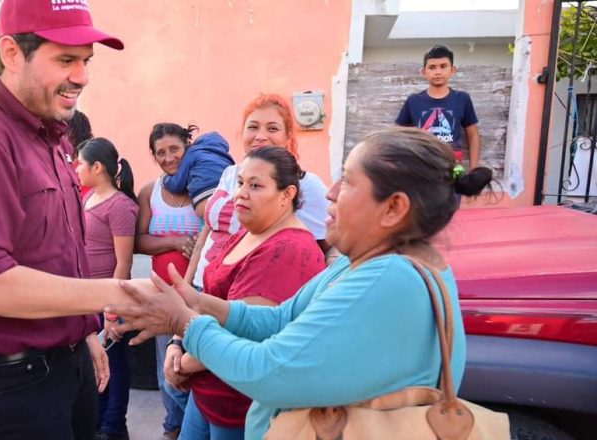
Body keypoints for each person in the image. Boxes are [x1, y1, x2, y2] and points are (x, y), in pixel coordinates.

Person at [108, 127, 494, 440]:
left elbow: (268, 370)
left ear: (393, 208)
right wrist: (195, 301)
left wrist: (185, 324)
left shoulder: (389, 278)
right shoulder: (367, 263)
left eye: (349, 181)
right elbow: (278, 320)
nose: (330, 191)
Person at [0, 1, 144, 439]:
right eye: (66, 59)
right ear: (13, 53)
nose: (82, 76)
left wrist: (86, 331)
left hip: (66, 362)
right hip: (12, 385)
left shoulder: (47, 134)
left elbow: (54, 254)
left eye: (86, 61)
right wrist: (122, 293)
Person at [167, 147, 326, 439]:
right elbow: (208, 298)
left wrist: (181, 363)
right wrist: (175, 344)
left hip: (239, 404)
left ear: (286, 194)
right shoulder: (248, 231)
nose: (240, 193)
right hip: (207, 389)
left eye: (255, 186)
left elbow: (245, 332)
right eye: (240, 182)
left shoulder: (288, 250)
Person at [185, 94, 329, 290]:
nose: (260, 136)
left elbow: (325, 248)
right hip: (202, 286)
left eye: (272, 128)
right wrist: (185, 287)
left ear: (288, 137)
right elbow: (207, 233)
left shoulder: (306, 184)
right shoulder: (230, 174)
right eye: (253, 127)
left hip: (248, 293)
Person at [135, 122, 204, 439]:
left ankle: (198, 427)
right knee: (168, 370)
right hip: (161, 296)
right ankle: (174, 426)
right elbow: (139, 241)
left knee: (199, 364)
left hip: (202, 293)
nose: (168, 157)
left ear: (187, 148)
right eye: (160, 152)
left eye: (174, 149)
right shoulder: (151, 192)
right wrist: (176, 241)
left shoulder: (203, 189)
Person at [75, 137, 139, 440]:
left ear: (97, 167)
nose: (76, 169)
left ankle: (115, 427)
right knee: (95, 364)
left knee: (114, 363)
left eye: (80, 163)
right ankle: (100, 423)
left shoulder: (121, 207)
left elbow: (123, 264)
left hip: (108, 301)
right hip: (87, 297)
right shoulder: (88, 198)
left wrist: (113, 310)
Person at [396, 44, 481, 169]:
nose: (438, 72)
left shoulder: (462, 98)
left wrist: (474, 169)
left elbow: (473, 135)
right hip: (423, 166)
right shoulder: (414, 100)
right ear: (423, 72)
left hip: (452, 165)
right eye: (432, 67)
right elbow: (397, 133)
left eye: (443, 66)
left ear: (452, 70)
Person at [161, 130, 234, 218]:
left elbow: (177, 183)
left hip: (206, 201)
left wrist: (165, 179)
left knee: (214, 220)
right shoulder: (224, 156)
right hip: (229, 198)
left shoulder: (192, 153)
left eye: (174, 149)